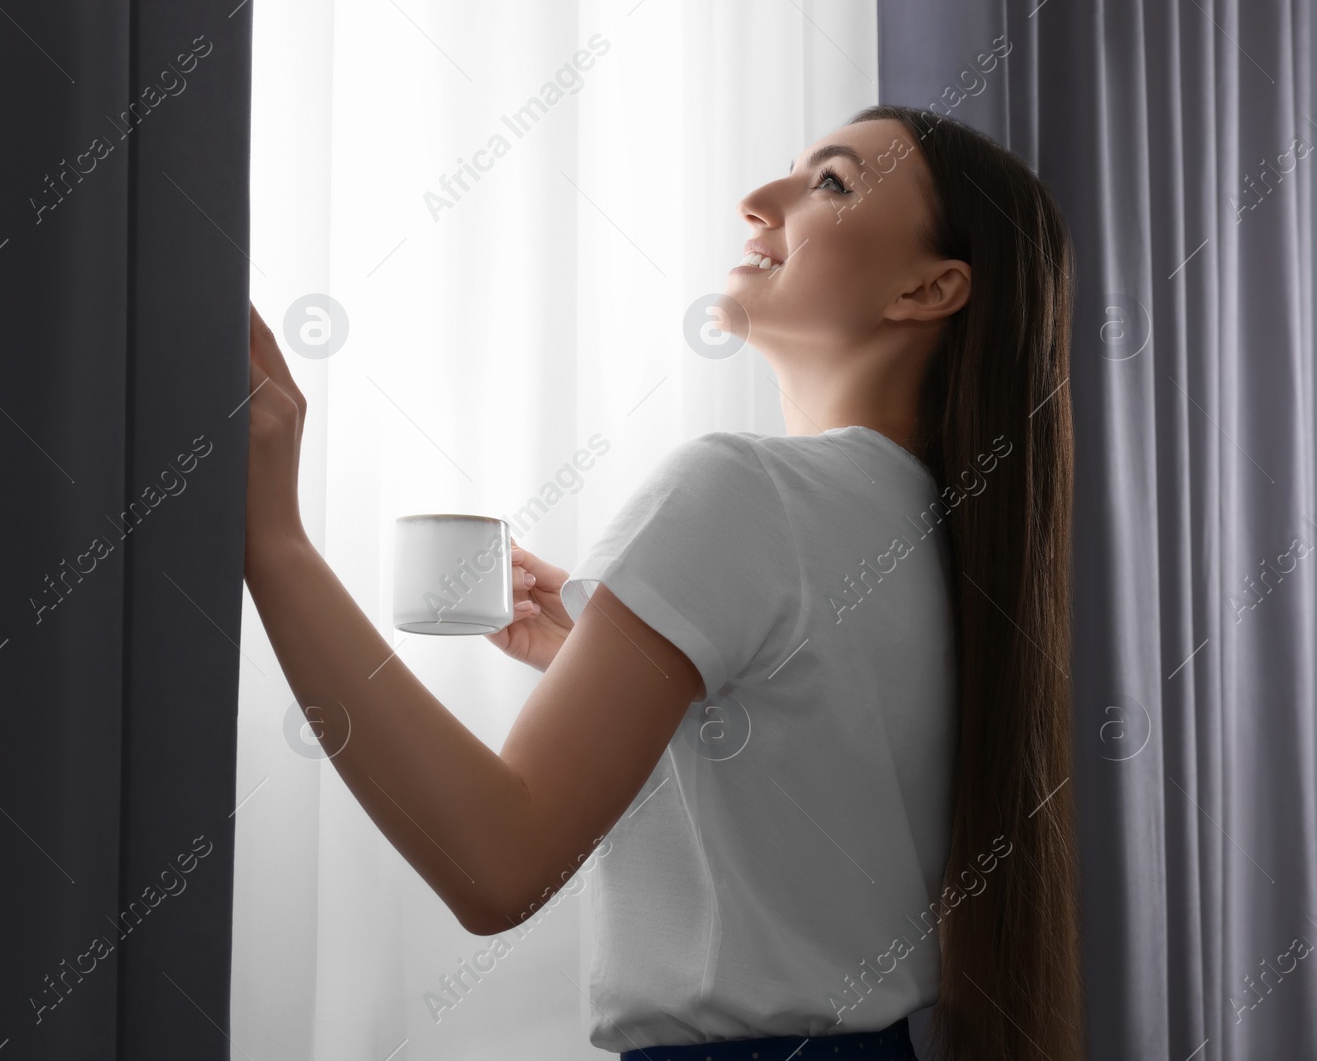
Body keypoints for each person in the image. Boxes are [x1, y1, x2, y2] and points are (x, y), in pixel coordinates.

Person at [245, 104, 1082, 1061]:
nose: (757, 200)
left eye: (831, 183)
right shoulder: (947, 537)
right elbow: (814, 794)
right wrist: (629, 677)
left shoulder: (744, 488)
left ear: (930, 288)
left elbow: (493, 864)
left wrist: (276, 544)